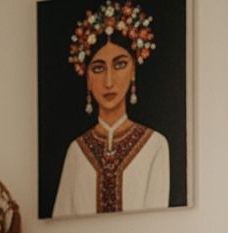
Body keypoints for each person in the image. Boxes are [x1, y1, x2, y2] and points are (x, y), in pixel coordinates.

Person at [52, 2, 170, 216]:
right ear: (87, 77)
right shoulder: (77, 151)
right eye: (98, 68)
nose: (108, 81)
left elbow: (157, 228)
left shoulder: (155, 145)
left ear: (133, 70)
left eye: (119, 65)